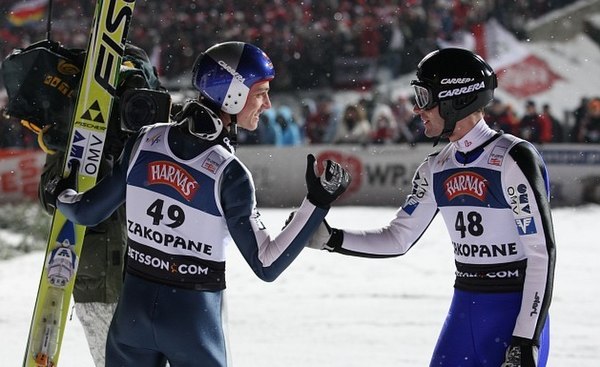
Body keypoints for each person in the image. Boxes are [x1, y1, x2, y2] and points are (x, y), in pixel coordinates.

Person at [48, 41, 350, 367]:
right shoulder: (229, 173)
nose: (267, 103)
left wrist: (59, 194)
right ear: (232, 94)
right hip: (191, 326)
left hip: (132, 318)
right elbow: (267, 264)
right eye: (260, 92)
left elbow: (86, 212)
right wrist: (317, 202)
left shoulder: (145, 140)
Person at [307, 48, 555, 367]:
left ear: (456, 98)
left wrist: (525, 339)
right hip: (465, 309)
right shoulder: (435, 167)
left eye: (424, 97)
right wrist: (331, 238)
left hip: (514, 313)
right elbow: (398, 238)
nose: (417, 108)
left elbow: (541, 253)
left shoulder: (513, 158)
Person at [35, 43, 163, 367]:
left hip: (155, 279)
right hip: (99, 280)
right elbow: (49, 193)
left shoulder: (161, 132)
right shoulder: (76, 131)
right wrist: (94, 155)